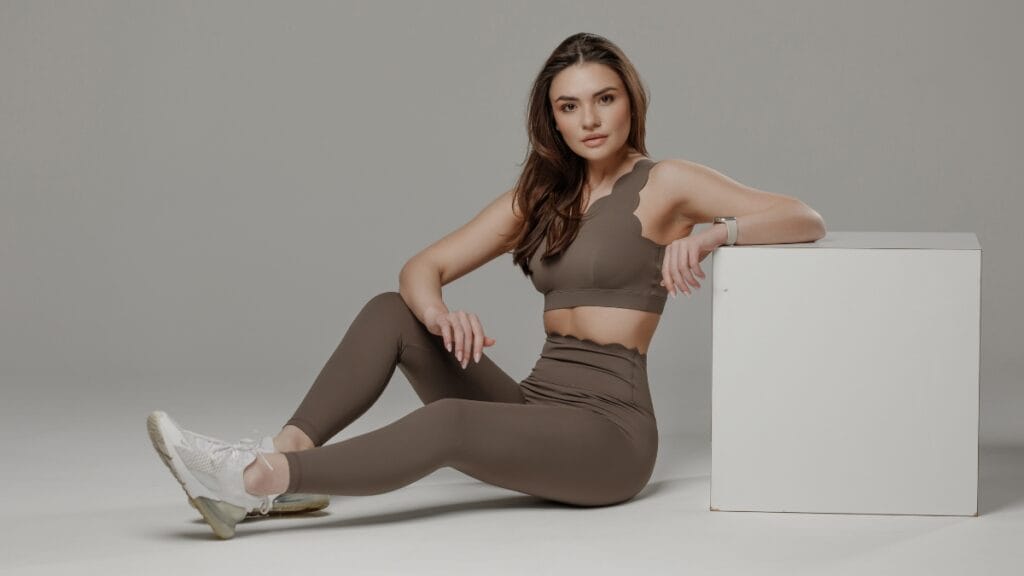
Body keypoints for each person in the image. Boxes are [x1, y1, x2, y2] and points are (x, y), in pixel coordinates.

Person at [148, 32, 827, 539]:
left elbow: (803, 216)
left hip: (609, 435)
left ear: (629, 102)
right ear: (552, 119)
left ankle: (254, 482)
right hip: (537, 406)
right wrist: (440, 315)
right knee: (394, 313)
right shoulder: (542, 198)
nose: (590, 120)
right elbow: (421, 269)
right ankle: (288, 452)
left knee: (449, 424)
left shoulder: (667, 182)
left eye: (605, 99)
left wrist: (712, 234)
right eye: (570, 106)